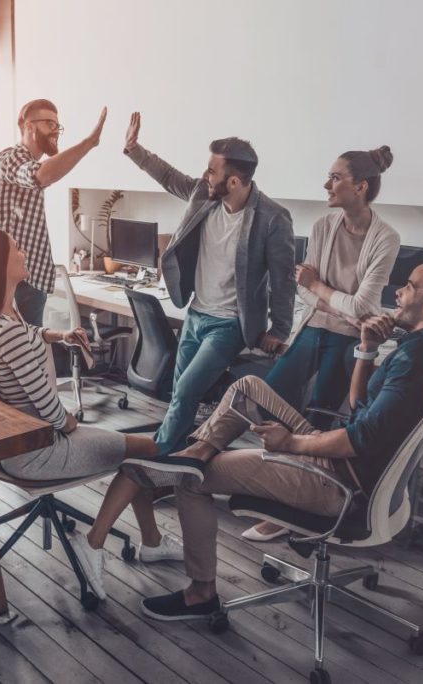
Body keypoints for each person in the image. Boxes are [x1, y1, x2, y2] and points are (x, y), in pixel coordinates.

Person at [135, 261, 423, 620]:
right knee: (247, 387)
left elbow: (358, 439)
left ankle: (201, 593)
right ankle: (197, 451)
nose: (398, 292)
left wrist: (290, 444)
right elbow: (359, 407)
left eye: (411, 286)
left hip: (338, 481)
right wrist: (367, 349)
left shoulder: (415, 359)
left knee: (190, 481)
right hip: (342, 460)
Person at [0, 229, 183, 602]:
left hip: (13, 449)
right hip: (40, 450)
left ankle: (153, 542)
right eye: (17, 248)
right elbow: (51, 412)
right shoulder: (7, 331)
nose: (24, 251)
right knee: (145, 449)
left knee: (131, 446)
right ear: (0, 266)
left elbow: (26, 335)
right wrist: (73, 423)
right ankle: (96, 543)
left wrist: (55, 335)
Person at [244, 146, 400, 542]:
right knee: (271, 396)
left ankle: (295, 505)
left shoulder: (386, 238)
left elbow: (357, 303)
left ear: (360, 187)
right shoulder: (322, 226)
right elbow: (308, 295)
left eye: (335, 177)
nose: (326, 184)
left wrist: (320, 286)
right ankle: (279, 485)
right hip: (315, 326)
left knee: (321, 418)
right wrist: (334, 299)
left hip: (348, 339)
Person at [122, 112, 295, 463]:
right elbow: (169, 177)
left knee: (186, 390)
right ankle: (181, 464)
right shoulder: (204, 195)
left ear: (233, 181)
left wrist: (279, 328)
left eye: (212, 170)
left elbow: (283, 279)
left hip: (230, 324)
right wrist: (134, 149)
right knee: (178, 392)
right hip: (196, 313)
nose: (205, 175)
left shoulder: (272, 218)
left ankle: (156, 458)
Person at [0, 99, 108, 325]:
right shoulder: (10, 158)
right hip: (10, 282)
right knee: (18, 354)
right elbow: (39, 175)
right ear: (29, 126)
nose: (56, 131)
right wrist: (88, 143)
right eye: (50, 124)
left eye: (58, 126)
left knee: (29, 350)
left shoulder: (28, 162)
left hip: (28, 281)